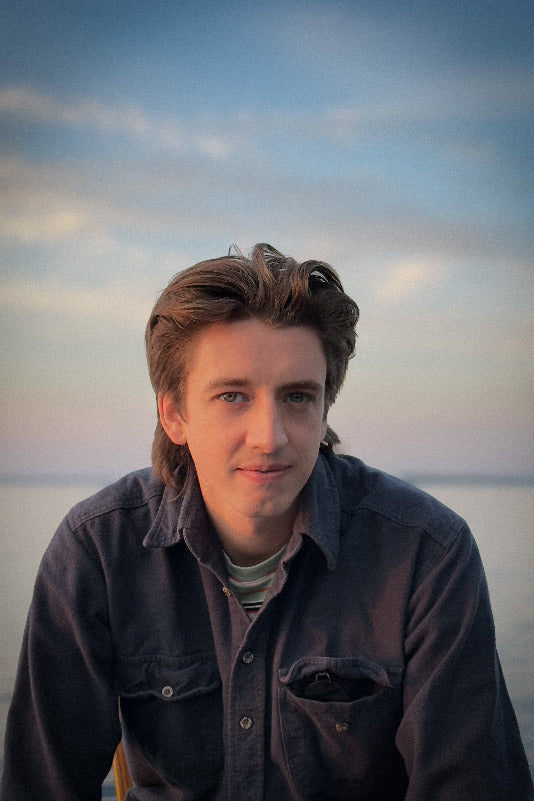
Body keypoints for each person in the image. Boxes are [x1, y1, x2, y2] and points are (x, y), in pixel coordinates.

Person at [1, 243, 532, 801]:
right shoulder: (97, 552)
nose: (270, 437)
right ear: (174, 413)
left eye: (298, 397)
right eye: (233, 396)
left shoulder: (428, 555)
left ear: (326, 406)